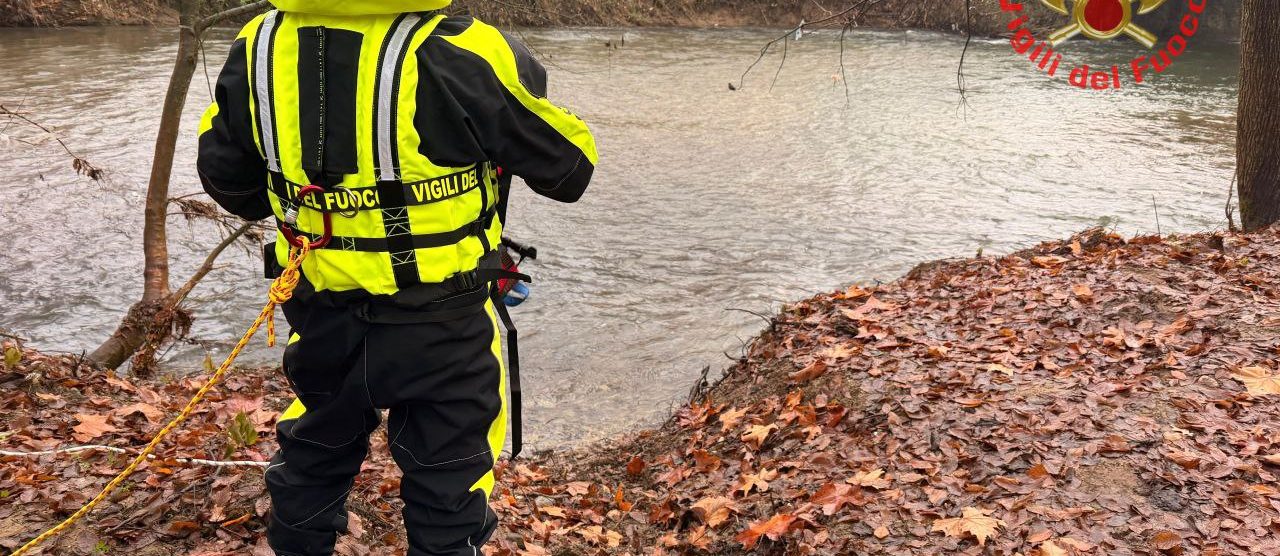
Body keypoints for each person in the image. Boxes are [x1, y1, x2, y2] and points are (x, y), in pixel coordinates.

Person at [195, 1, 597, 554]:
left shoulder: (257, 45)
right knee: (449, 481)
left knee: (313, 454)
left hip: (321, 312)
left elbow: (229, 186)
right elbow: (571, 168)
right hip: (444, 326)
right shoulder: (465, 48)